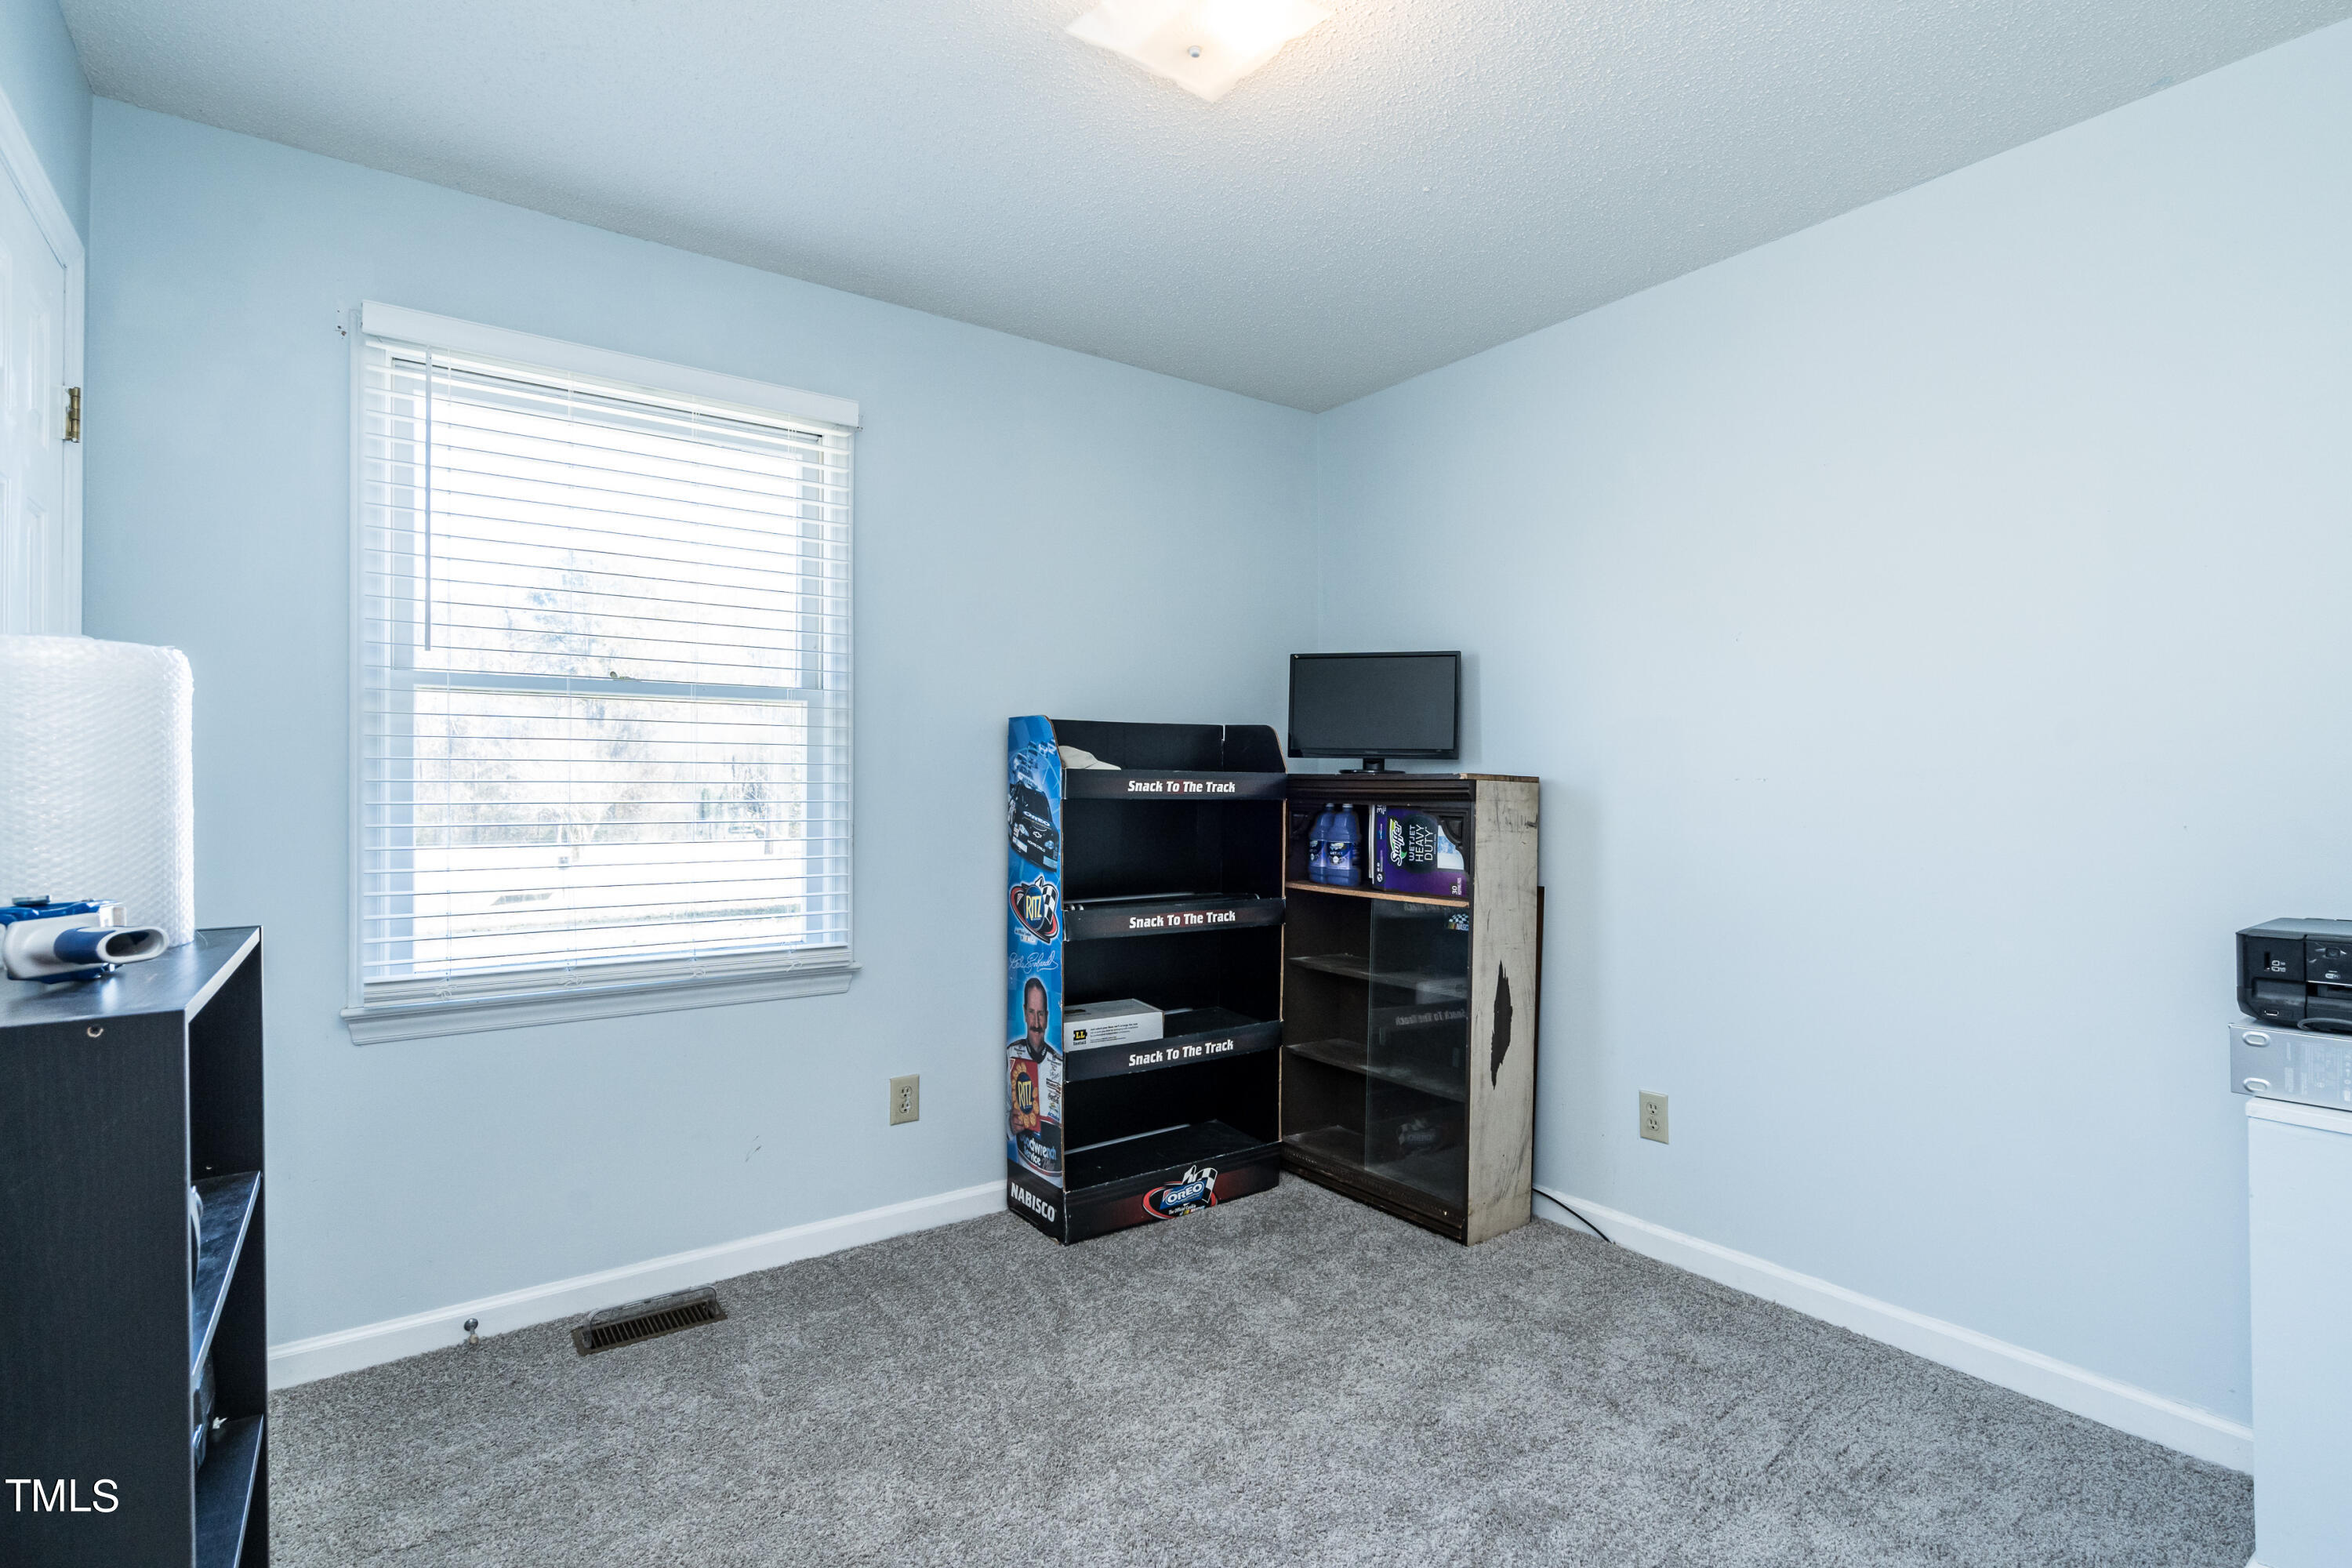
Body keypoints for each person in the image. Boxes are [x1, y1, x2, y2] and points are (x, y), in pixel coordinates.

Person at [1007, 975, 1062, 1178]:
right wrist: (1010, 1123)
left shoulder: (1060, 1064)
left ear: (1047, 1017)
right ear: (1024, 1013)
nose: (1037, 1023)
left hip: (1056, 1177)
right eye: (1032, 1013)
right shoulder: (1011, 1054)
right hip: (1024, 1174)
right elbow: (1003, 1110)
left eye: (1040, 1014)